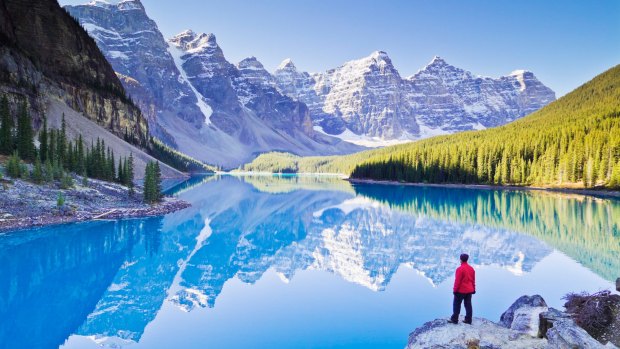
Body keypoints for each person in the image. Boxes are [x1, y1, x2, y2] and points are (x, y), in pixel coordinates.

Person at [449, 253, 476, 324]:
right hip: (469, 290)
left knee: (456, 304)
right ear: (467, 259)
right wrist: (473, 289)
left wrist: (455, 290)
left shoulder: (459, 269)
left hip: (460, 291)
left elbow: (457, 281)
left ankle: (454, 319)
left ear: (460, 259)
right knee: (468, 305)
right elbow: (473, 280)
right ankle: (468, 320)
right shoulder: (471, 269)